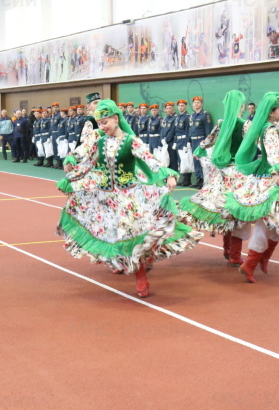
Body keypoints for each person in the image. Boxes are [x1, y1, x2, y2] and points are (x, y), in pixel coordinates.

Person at [56, 99, 202, 298]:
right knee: (110, 233)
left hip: (128, 197)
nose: (103, 127)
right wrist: (71, 159)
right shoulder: (98, 139)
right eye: (100, 123)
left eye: (106, 122)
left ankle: (141, 276)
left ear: (116, 119)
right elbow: (83, 152)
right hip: (104, 196)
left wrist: (167, 173)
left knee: (131, 235)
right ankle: (116, 261)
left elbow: (149, 159)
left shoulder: (130, 141)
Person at [224, 92, 279, 283]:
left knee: (278, 222)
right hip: (270, 180)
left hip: (276, 179)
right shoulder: (270, 130)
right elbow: (272, 154)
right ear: (271, 113)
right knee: (269, 222)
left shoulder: (270, 127)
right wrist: (278, 171)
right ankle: (251, 263)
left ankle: (260, 260)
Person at [180, 89, 250, 266]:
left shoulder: (221, 123)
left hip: (222, 173)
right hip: (239, 174)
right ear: (242, 106)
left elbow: (207, 141)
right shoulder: (245, 125)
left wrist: (199, 149)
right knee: (237, 213)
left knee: (224, 210)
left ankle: (227, 249)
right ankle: (235, 254)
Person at [188, 96, 213, 189]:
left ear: (201, 104)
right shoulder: (192, 116)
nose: (196, 104)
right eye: (194, 102)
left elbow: (208, 129)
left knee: (202, 160)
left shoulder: (205, 115)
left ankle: (203, 180)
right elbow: (190, 129)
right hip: (193, 140)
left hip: (201, 140)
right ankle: (198, 179)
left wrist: (207, 142)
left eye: (198, 102)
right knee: (196, 161)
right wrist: (189, 141)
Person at [175, 99, 192, 186]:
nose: (180, 107)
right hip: (178, 140)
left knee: (186, 159)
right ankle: (183, 178)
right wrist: (175, 142)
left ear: (185, 106)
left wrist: (187, 142)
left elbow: (188, 130)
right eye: (179, 106)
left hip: (184, 140)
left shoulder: (187, 117)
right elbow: (176, 131)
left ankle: (187, 179)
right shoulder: (178, 117)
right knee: (181, 160)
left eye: (182, 105)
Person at [160, 102, 178, 170]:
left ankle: (174, 177)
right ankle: (168, 177)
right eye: (167, 108)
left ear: (173, 108)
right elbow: (162, 129)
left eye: (170, 108)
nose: (168, 110)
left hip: (171, 141)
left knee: (173, 160)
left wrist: (167, 139)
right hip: (164, 143)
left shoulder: (175, 118)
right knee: (165, 160)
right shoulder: (165, 118)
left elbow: (173, 129)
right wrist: (162, 138)